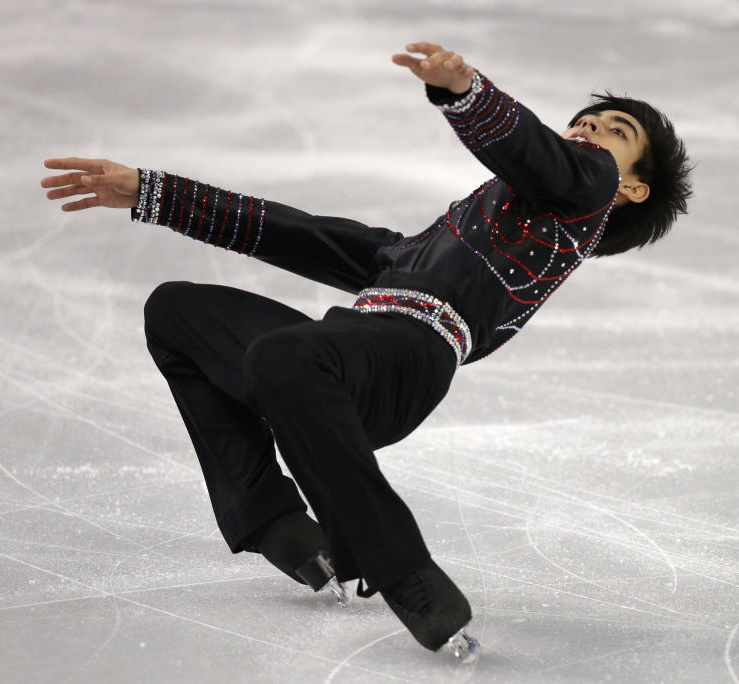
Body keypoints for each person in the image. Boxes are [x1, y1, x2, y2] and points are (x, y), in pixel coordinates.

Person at [41, 42, 692, 661]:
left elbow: (536, 152)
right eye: (585, 119)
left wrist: (466, 93)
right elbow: (299, 233)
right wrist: (152, 192)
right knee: (178, 312)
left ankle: (403, 570)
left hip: (407, 360)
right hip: (346, 351)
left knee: (281, 357)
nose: (590, 128)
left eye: (615, 131)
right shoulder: (421, 250)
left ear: (630, 187)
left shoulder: (587, 191)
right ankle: (275, 523)